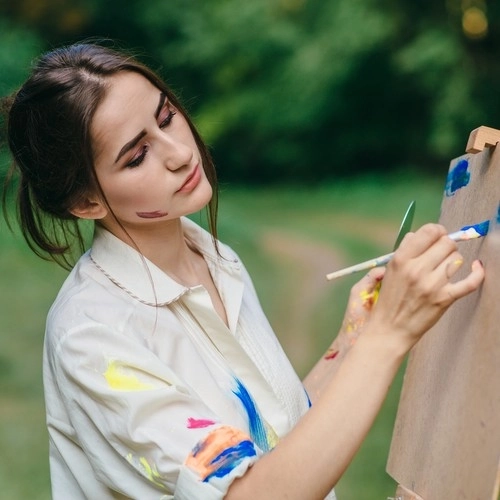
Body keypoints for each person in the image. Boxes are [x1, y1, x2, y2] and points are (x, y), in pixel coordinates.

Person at [2, 42, 484, 500]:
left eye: (167, 116)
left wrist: (355, 338)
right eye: (137, 155)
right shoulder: (93, 336)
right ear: (85, 202)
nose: (179, 153)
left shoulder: (213, 257)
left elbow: (273, 440)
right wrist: (389, 338)